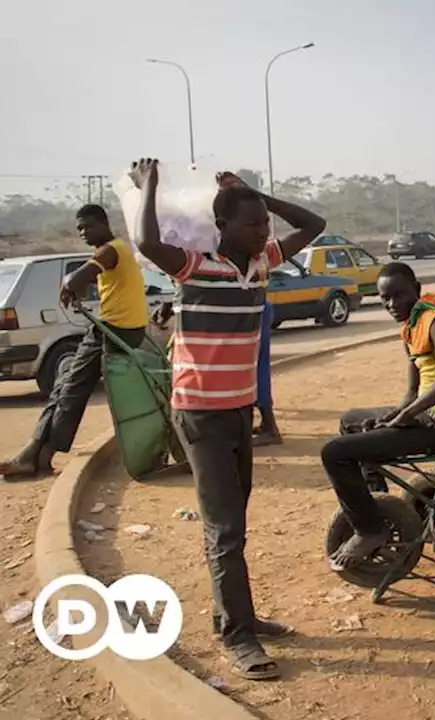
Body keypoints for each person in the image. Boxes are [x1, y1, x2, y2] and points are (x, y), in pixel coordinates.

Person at [129, 157, 326, 681]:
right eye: (253, 223)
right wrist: (149, 187)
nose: (264, 231)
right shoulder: (195, 265)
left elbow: (315, 225)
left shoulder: (261, 264)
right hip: (199, 412)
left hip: (239, 409)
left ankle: (234, 615)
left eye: (264, 224)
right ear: (222, 228)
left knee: (233, 520)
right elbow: (148, 244)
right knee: (224, 528)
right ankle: (240, 638)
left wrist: (255, 193)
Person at [322, 262, 435, 571]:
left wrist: (407, 415)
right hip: (429, 416)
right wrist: (394, 416)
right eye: (385, 298)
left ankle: (369, 530)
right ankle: (376, 504)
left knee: (334, 453)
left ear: (417, 290)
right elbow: (412, 392)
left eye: (400, 295)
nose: (392, 304)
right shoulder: (412, 326)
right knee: (351, 422)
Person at [1, 205, 149, 480]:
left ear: (104, 224)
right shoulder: (114, 251)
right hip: (117, 328)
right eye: (79, 228)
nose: (83, 232)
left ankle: (36, 454)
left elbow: (76, 277)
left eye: (88, 226)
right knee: (67, 387)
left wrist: (69, 284)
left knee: (69, 389)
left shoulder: (110, 250)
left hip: (113, 330)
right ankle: (38, 455)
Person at [253, 301, 281, 446]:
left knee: (256, 370)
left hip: (253, 310)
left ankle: (270, 429)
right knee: (256, 368)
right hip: (254, 309)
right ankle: (267, 425)